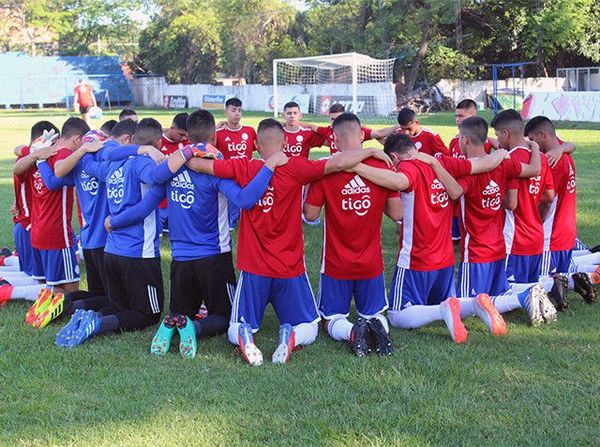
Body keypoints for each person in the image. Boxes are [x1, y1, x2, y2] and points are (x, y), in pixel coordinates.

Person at [186, 118, 393, 365]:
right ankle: (290, 337)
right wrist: (370, 150)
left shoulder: (244, 167)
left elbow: (197, 165)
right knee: (311, 327)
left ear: (255, 144)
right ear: (285, 142)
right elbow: (338, 162)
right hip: (289, 268)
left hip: (254, 268)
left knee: (238, 325)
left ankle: (245, 336)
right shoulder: (297, 168)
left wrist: (193, 151)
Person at [105, 110, 287, 358]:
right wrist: (268, 167)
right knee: (226, 317)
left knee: (181, 311)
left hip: (180, 261)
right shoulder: (215, 168)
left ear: (186, 136)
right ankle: (194, 328)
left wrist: (115, 220)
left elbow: (146, 206)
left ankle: (174, 323)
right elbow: (244, 200)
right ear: (214, 136)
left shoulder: (172, 165)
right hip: (213, 256)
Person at [348, 133, 518, 343]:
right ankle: (475, 303)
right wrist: (501, 153)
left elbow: (399, 183)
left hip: (417, 260)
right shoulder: (443, 162)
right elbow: (481, 164)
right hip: (445, 260)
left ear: (394, 157)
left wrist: (357, 168)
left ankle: (442, 311)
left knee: (397, 315)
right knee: (447, 302)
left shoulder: (407, 167)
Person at [55, 118, 195, 347]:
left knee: (119, 306)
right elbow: (157, 177)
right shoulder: (143, 164)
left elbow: (92, 163)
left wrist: (86, 149)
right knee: (149, 314)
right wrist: (183, 156)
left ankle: (90, 315)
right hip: (138, 255)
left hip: (111, 252)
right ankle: (97, 325)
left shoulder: (113, 163)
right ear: (159, 142)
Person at [303, 113, 402, 356]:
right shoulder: (382, 166)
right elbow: (397, 213)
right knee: (375, 313)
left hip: (336, 263)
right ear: (361, 135)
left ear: (334, 139)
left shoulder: (326, 170)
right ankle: (377, 328)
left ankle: (352, 332)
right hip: (371, 262)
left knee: (331, 318)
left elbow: (311, 215)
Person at [454, 116, 558, 326]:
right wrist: (535, 148)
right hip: (499, 247)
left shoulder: (465, 169)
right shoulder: (505, 163)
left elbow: (455, 193)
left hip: (476, 250)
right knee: (495, 294)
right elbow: (537, 177)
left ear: (464, 140)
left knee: (463, 306)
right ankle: (533, 290)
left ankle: (523, 297)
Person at [525, 116, 598, 305]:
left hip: (552, 234)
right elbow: (569, 144)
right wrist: (561, 148)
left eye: (532, 140)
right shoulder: (561, 152)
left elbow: (546, 200)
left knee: (535, 278)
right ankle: (579, 278)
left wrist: (533, 223)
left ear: (542, 135)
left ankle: (581, 279)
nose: (531, 146)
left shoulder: (552, 161)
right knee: (559, 272)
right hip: (566, 231)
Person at [301, 103, 397, 155]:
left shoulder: (356, 129)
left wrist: (397, 126)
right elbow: (311, 126)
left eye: (338, 118)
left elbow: (379, 133)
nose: (335, 121)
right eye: (332, 119)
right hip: (337, 165)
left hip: (355, 164)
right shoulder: (327, 130)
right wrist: (291, 123)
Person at [158, 113, 191, 233]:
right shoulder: (157, 141)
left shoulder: (187, 143)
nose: (184, 138)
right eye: (181, 134)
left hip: (181, 195)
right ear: (172, 128)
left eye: (186, 135)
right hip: (160, 198)